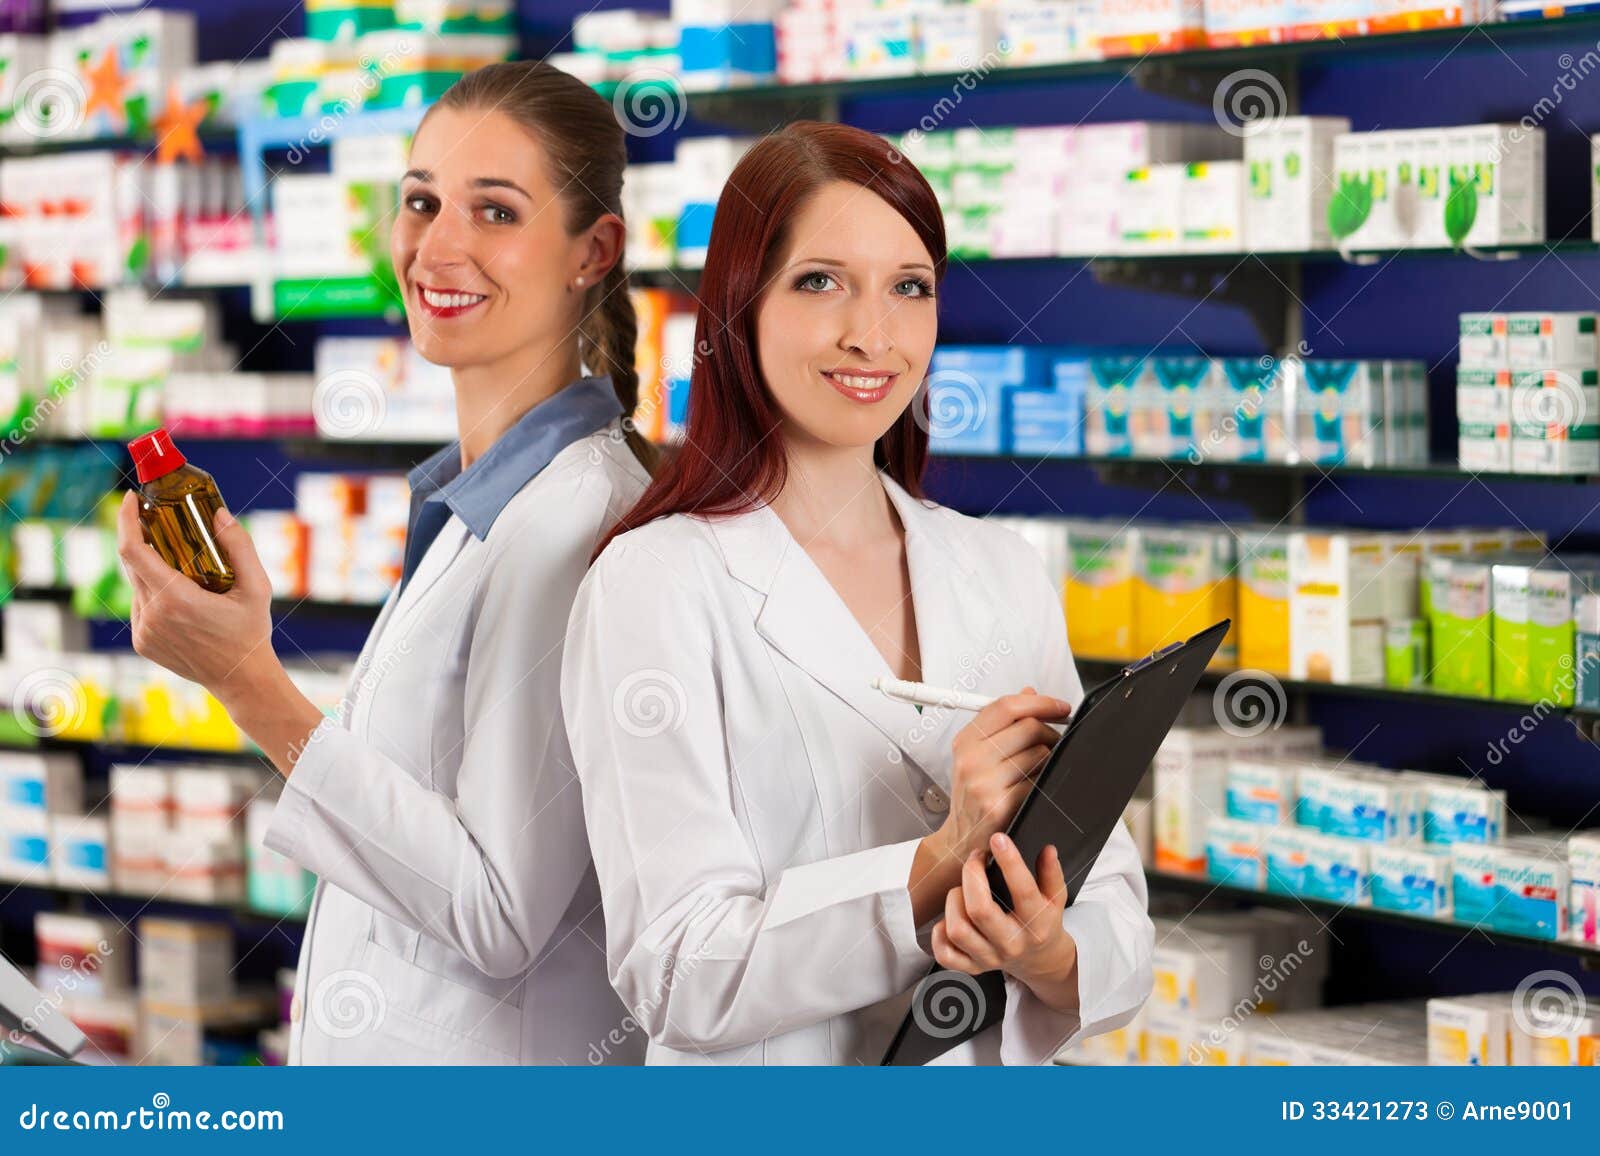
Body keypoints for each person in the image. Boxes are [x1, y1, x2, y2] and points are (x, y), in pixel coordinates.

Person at [562, 121, 1153, 1065]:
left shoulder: (1001, 572)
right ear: (738, 306)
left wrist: (1047, 952)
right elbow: (676, 974)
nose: (871, 334)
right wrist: (934, 864)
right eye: (820, 281)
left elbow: (1117, 912)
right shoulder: (656, 583)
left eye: (908, 288)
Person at [114, 61, 653, 1065]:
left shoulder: (574, 524)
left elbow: (498, 910)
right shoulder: (480, 502)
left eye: (494, 211)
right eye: (421, 201)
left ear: (594, 252)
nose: (437, 245)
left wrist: (246, 680)